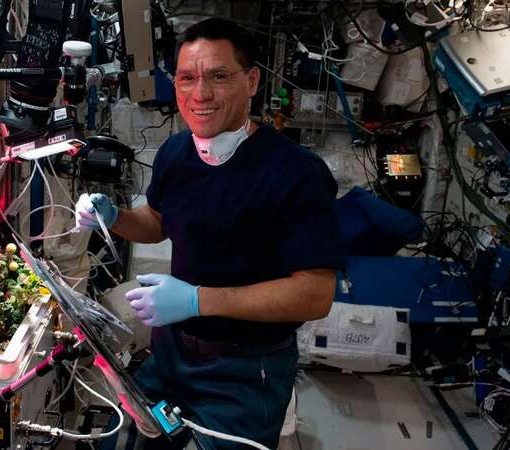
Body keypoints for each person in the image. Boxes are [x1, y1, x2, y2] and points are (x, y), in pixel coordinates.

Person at [76, 17, 345, 450]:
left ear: (252, 81)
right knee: (120, 440)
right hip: (171, 355)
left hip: (246, 370)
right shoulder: (177, 152)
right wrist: (114, 217)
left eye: (219, 77)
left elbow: (315, 293)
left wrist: (196, 299)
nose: (200, 94)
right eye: (187, 78)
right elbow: (159, 222)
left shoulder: (296, 173)